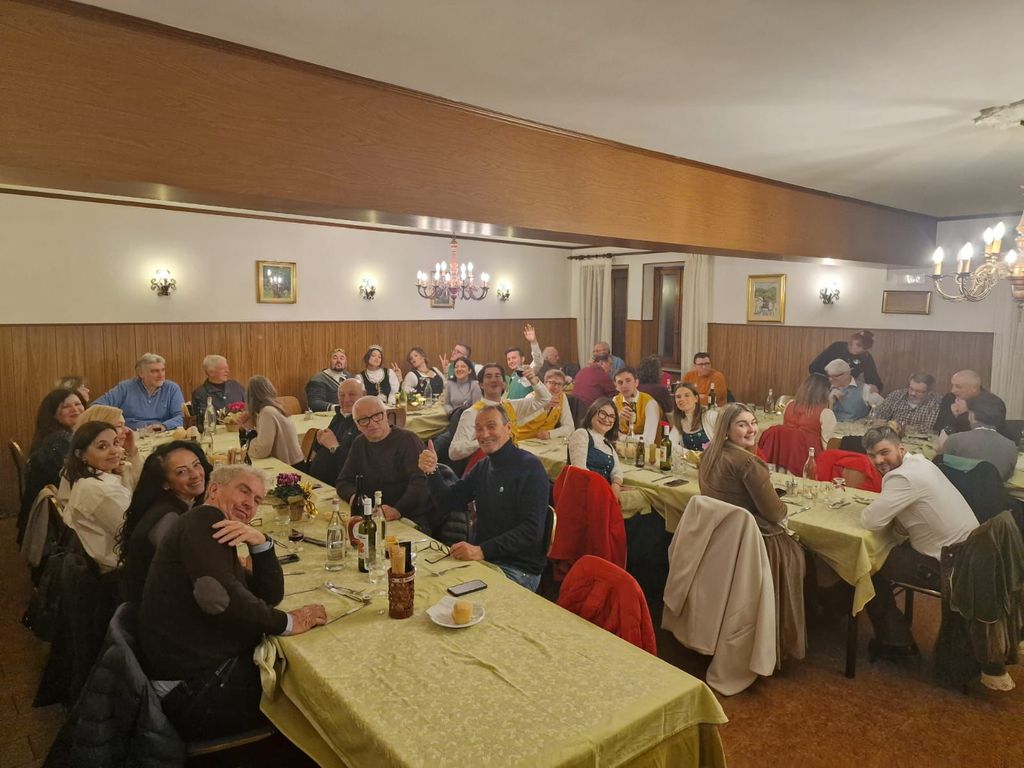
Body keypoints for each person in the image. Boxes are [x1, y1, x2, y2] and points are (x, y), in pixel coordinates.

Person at [140, 465, 326, 741]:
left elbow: (268, 595)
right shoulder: (203, 524)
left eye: (257, 499)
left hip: (194, 673)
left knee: (294, 673)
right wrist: (287, 622)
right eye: (243, 491)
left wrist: (261, 543)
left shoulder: (211, 526)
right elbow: (218, 599)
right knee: (309, 694)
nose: (250, 504)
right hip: (192, 691)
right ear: (214, 489)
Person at [859, 427, 978, 664]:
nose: (878, 460)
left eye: (884, 452)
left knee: (867, 563)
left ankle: (896, 641)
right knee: (884, 550)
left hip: (949, 566)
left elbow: (870, 521)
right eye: (872, 455)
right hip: (970, 555)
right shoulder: (920, 462)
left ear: (900, 448)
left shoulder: (902, 478)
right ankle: (895, 633)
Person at [698, 404, 806, 662]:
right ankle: (784, 636)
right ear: (726, 430)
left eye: (753, 422)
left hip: (720, 539)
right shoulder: (748, 462)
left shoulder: (709, 455)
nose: (751, 429)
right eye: (742, 424)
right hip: (754, 541)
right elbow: (776, 514)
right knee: (801, 553)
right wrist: (781, 502)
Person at [419, 405, 550, 591]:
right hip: (485, 560)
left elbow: (531, 530)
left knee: (456, 597)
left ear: (508, 428)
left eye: (491, 426)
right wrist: (431, 471)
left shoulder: (530, 468)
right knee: (432, 585)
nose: (484, 434)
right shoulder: (484, 466)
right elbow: (448, 502)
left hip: (518, 569)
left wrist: (481, 550)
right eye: (479, 428)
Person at [117, 441, 212, 604]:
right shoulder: (169, 519)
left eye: (196, 464)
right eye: (181, 472)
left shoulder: (172, 504)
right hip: (160, 608)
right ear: (165, 483)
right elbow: (193, 575)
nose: (195, 474)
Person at [337, 396, 434, 532]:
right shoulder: (359, 443)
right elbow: (343, 482)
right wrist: (355, 497)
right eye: (364, 420)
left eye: (377, 416)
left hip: (409, 518)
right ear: (357, 425)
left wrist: (397, 510)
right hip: (372, 517)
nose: (372, 423)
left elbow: (421, 484)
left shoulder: (408, 440)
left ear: (386, 415)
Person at [61, 421, 132, 573]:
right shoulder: (98, 491)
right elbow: (133, 531)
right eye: (102, 447)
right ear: (81, 455)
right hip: (118, 570)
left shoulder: (88, 478)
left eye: (116, 443)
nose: (114, 451)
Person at [18, 388, 87, 542]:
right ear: (53, 414)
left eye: (78, 404)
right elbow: (81, 478)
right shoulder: (60, 441)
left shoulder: (59, 435)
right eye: (66, 406)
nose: (75, 409)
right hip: (50, 524)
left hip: (47, 511)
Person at [449, 364, 551, 461]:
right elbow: (454, 452)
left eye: (497, 376)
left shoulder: (511, 406)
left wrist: (533, 379)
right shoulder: (472, 413)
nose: (493, 380)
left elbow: (545, 399)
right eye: (488, 376)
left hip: (513, 461)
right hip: (488, 467)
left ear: (504, 385)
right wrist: (484, 440)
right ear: (481, 385)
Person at [93, 353, 184, 431]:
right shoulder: (125, 388)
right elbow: (95, 407)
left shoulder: (172, 388)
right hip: (133, 434)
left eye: (163, 370)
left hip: (162, 433)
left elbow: (182, 417)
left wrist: (164, 426)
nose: (161, 375)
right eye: (154, 371)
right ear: (141, 374)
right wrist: (118, 423)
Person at [939, 392, 1018, 481]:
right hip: (994, 490)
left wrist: (941, 447)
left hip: (958, 489)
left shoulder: (955, 440)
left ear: (972, 416)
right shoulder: (1011, 447)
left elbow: (940, 472)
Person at [306, 378, 364, 485]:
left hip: (340, 485)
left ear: (363, 395)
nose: (346, 400)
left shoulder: (365, 423)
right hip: (317, 482)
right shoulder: (339, 416)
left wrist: (334, 447)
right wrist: (319, 440)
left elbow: (359, 463)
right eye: (342, 395)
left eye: (352, 394)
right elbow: (322, 449)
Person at [238, 376, 303, 465]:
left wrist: (249, 430)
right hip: (294, 462)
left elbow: (261, 451)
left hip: (289, 467)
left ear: (250, 397)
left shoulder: (267, 412)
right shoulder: (274, 407)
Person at [567, 398, 623, 498]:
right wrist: (605, 490)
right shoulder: (581, 434)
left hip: (603, 493)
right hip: (584, 493)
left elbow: (617, 470)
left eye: (611, 417)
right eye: (602, 413)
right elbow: (580, 470)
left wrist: (616, 485)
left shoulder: (608, 445)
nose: (606, 419)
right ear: (592, 413)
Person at [933, 370, 1008, 437]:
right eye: (953, 385)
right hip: (949, 444)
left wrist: (963, 414)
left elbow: (988, 434)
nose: (953, 390)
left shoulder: (993, 403)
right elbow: (939, 428)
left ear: (974, 388)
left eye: (958, 387)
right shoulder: (950, 398)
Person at [809, 330, 883, 391]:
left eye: (864, 348)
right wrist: (827, 383)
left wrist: (875, 387)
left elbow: (873, 378)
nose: (860, 350)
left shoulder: (866, 357)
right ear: (853, 339)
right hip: (825, 386)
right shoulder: (836, 347)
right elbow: (814, 368)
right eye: (858, 345)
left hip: (847, 390)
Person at [515, 368, 574, 441]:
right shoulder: (532, 397)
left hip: (546, 441)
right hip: (523, 440)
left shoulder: (562, 397)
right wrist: (542, 407)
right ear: (544, 384)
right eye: (552, 383)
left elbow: (570, 427)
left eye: (559, 384)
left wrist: (550, 434)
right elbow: (518, 422)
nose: (556, 387)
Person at [191, 355, 246, 430]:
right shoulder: (200, 394)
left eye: (227, 368)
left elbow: (248, 408)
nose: (227, 371)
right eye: (223, 369)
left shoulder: (236, 387)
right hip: (215, 434)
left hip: (240, 432)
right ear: (211, 372)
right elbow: (202, 421)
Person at [873, 373, 941, 433]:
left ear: (929, 392)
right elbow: (879, 415)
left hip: (919, 441)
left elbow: (928, 429)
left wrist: (897, 426)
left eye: (919, 391)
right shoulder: (896, 395)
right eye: (911, 388)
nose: (913, 393)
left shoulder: (936, 404)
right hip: (890, 437)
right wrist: (880, 422)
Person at [781, 374, 836, 448]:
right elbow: (827, 445)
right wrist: (830, 404)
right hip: (810, 453)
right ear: (826, 392)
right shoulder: (826, 413)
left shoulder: (789, 405)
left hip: (785, 450)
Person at [613, 367, 662, 444]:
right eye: (620, 382)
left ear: (636, 382)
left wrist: (621, 437)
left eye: (628, 381)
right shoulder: (615, 400)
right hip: (621, 448)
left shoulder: (650, 403)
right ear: (616, 386)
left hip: (647, 450)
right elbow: (610, 432)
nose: (624, 385)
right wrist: (618, 419)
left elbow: (648, 440)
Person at [668, 382, 718, 452]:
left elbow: (724, 441)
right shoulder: (680, 421)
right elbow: (670, 444)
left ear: (696, 398)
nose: (682, 399)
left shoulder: (710, 416)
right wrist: (689, 453)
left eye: (687, 395)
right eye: (678, 397)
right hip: (688, 459)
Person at [504, 323, 545, 399]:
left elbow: (538, 362)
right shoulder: (513, 376)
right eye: (508, 359)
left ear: (522, 359)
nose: (511, 361)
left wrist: (533, 342)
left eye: (514, 358)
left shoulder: (527, 372)